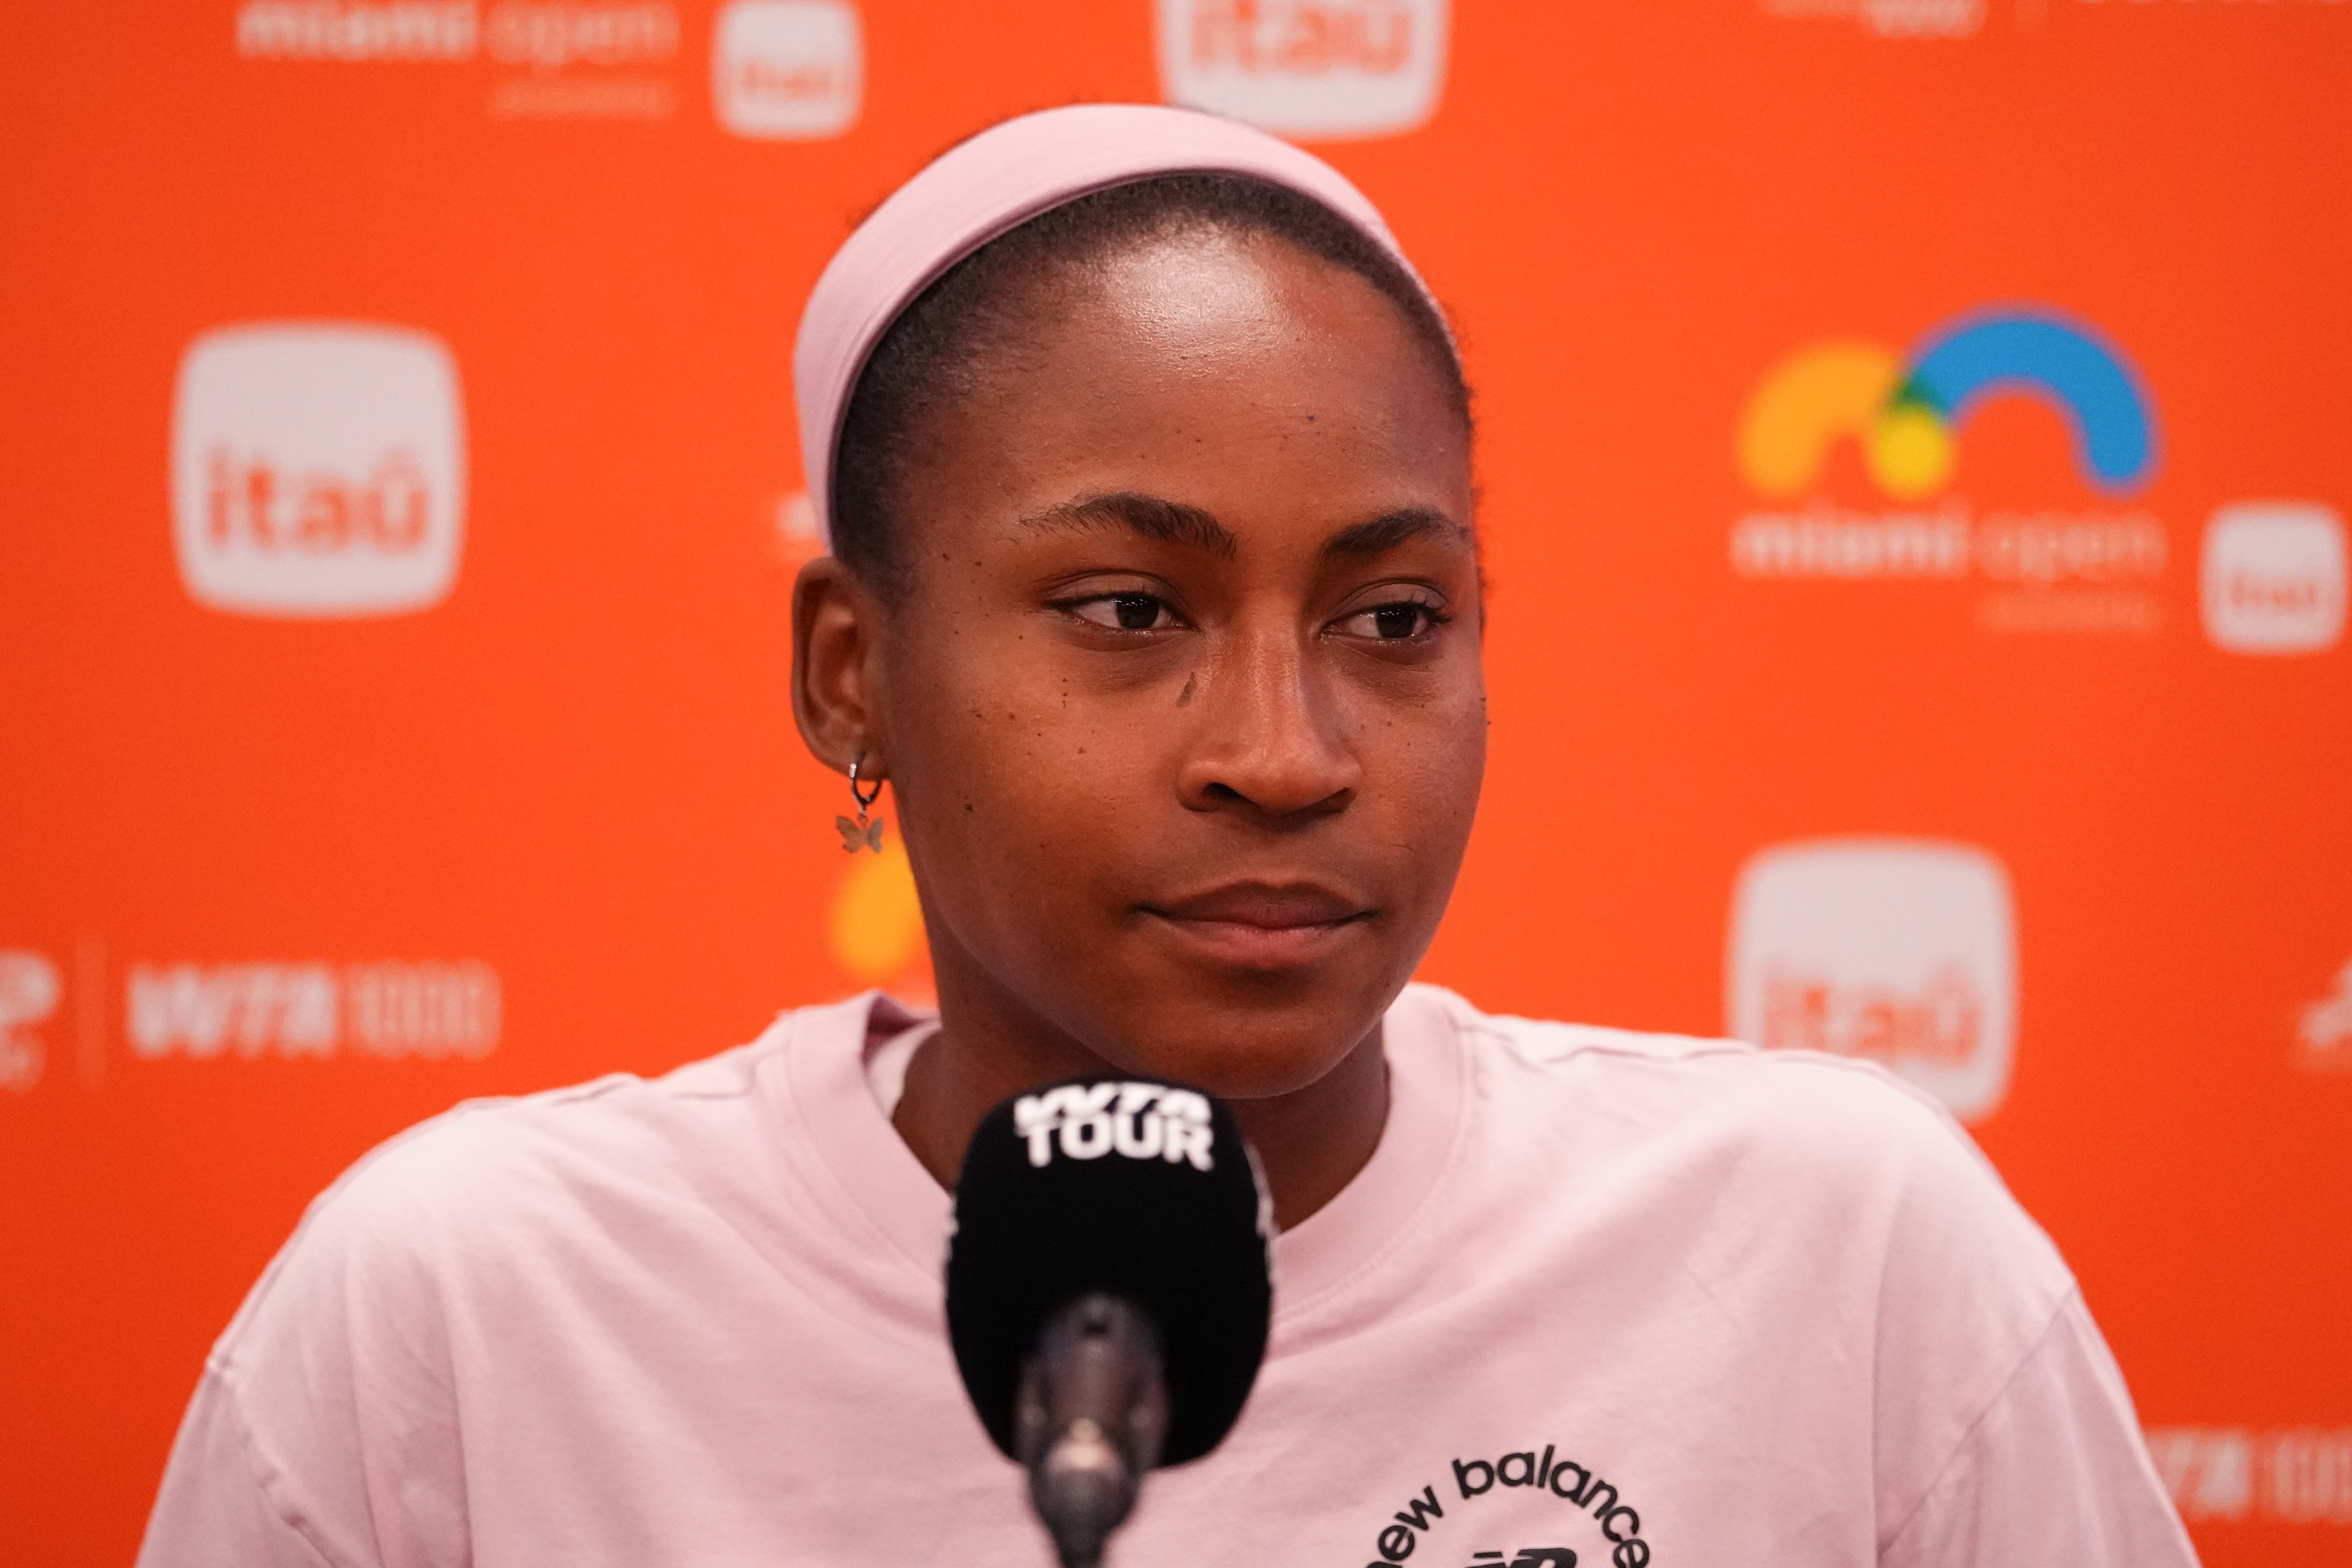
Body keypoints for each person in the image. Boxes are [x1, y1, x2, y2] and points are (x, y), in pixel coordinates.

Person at [139, 104, 2196, 1568]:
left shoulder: (1836, 1257)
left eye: (1394, 620)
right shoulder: (474, 1313)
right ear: (850, 671)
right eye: (1131, 611)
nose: (1285, 752)